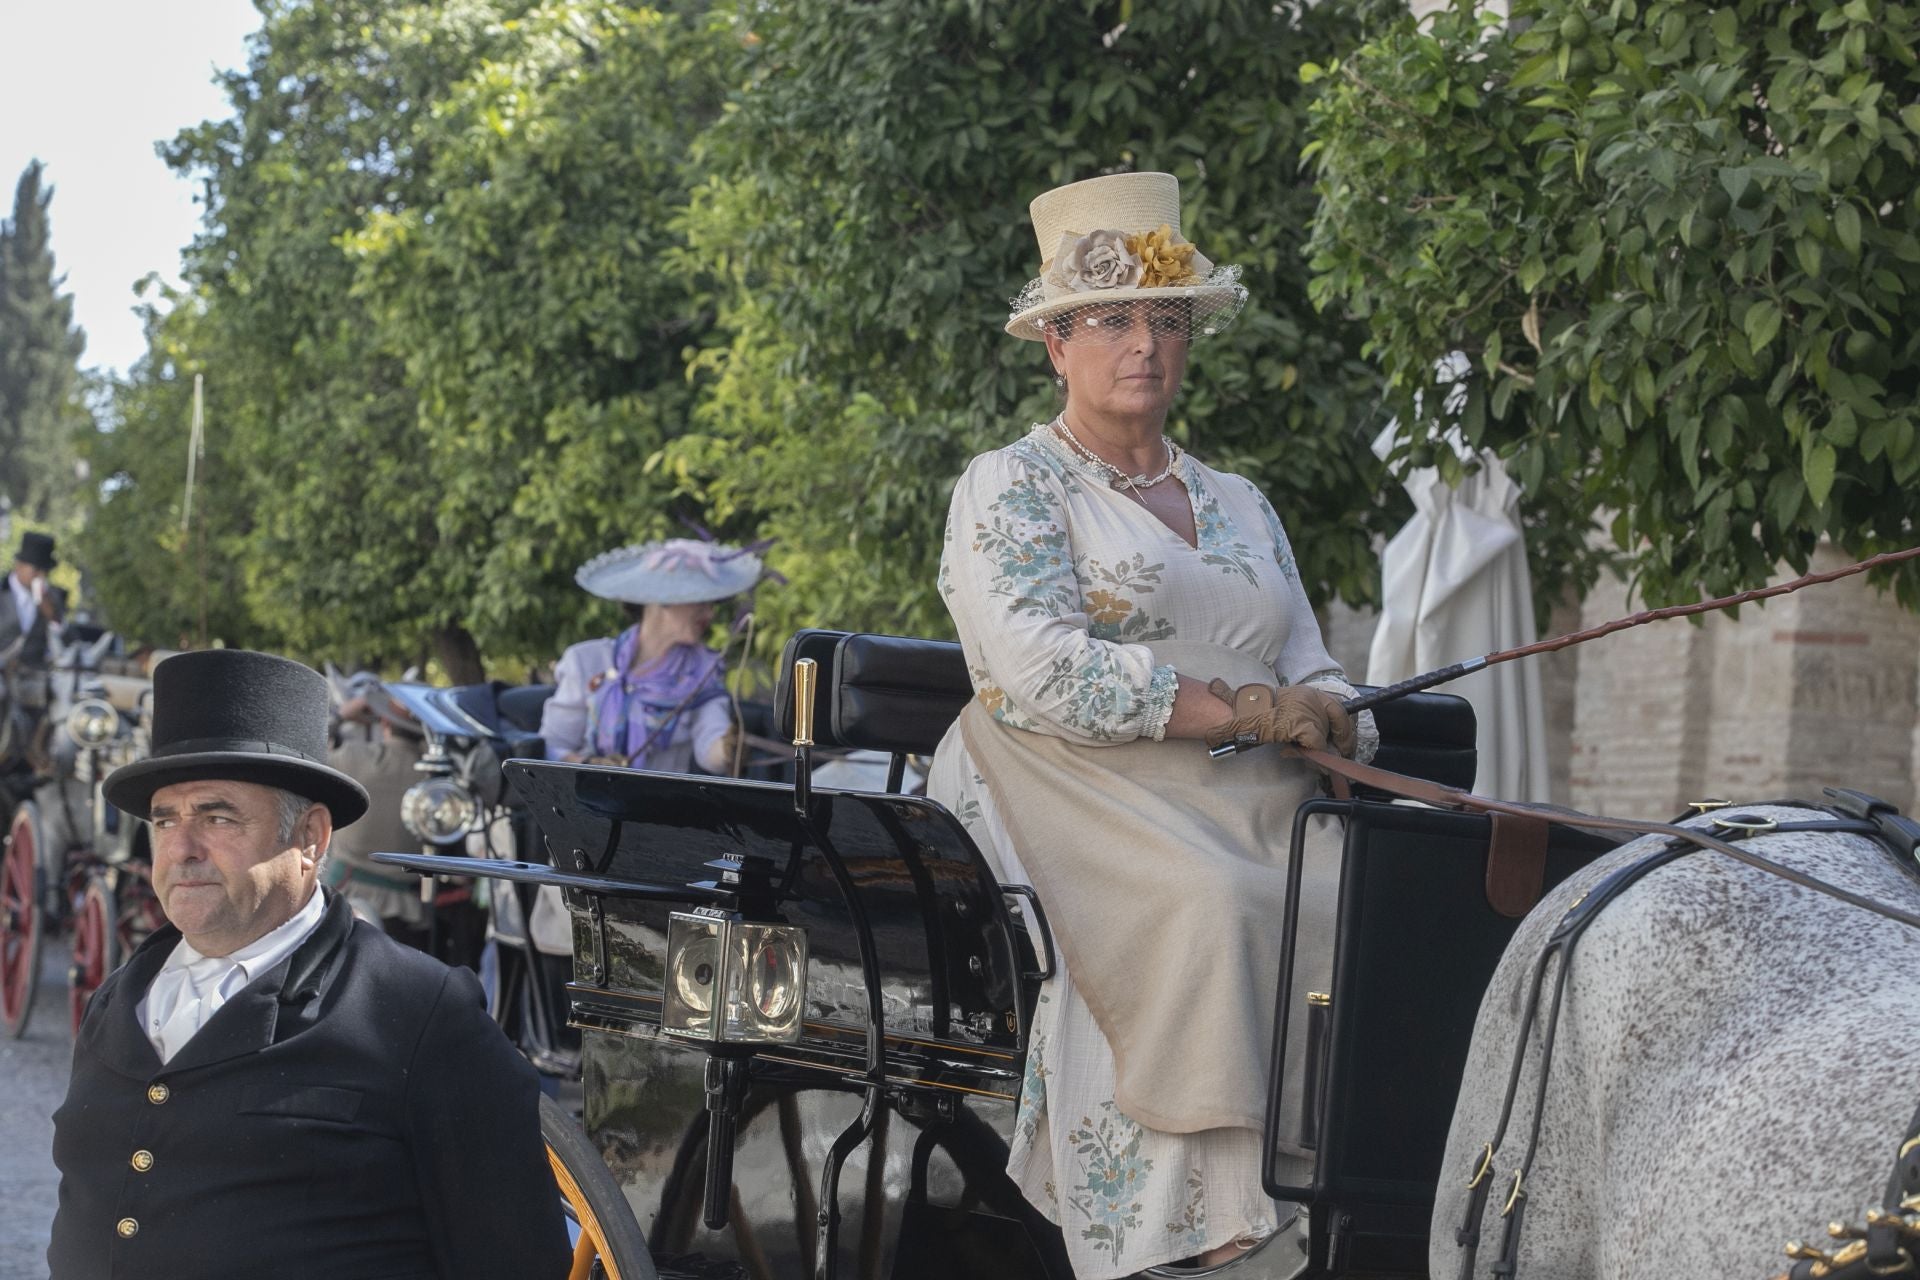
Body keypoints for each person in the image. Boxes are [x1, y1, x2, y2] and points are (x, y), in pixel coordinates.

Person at [927, 171, 1378, 1278]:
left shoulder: (1243, 501)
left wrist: (1328, 712)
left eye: (1166, 318)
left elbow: (1313, 661)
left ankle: (1354, 1194)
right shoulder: (1013, 485)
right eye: (1114, 317)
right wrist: (1230, 708)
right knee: (1214, 900)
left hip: (1253, 778)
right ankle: (1197, 1230)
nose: (1145, 343)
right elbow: (1040, 667)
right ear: (1056, 344)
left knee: (1364, 903)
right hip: (1066, 770)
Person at [47, 648, 569, 1280]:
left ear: (310, 839)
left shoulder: (420, 1017)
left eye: (217, 816)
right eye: (165, 820)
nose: (182, 849)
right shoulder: (118, 1001)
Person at [540, 537, 760, 774]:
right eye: (701, 600)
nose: (710, 613)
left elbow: (710, 743)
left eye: (712, 603)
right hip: (582, 804)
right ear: (664, 597)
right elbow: (551, 746)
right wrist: (588, 765)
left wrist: (727, 750)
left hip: (661, 808)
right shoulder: (586, 661)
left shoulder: (704, 669)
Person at [325, 679, 431, 941]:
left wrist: (339, 715)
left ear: (384, 722)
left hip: (343, 897)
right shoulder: (436, 779)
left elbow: (301, 751)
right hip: (410, 912)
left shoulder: (352, 758)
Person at [0, 531, 63, 667]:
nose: (41, 576)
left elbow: (66, 640)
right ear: (19, 566)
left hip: (34, 679)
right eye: (36, 570)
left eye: (46, 572)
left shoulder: (53, 598)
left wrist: (51, 615)